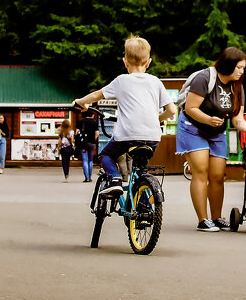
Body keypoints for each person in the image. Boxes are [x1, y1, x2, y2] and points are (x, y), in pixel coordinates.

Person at [74, 36, 176, 198]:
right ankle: (143, 206)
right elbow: (171, 110)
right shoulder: (156, 82)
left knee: (106, 155)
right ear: (148, 62)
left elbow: (95, 95)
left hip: (127, 136)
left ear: (125, 62)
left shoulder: (121, 81)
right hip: (152, 137)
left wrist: (80, 102)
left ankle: (115, 179)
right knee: (141, 171)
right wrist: (157, 119)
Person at [177, 47, 246, 232]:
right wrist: (208, 119)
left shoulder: (237, 87)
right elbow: (191, 108)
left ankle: (217, 217)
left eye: (243, 68)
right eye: (239, 67)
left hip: (217, 132)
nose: (242, 71)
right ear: (228, 65)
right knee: (201, 170)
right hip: (193, 128)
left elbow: (237, 119)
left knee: (217, 175)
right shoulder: (205, 78)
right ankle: (203, 219)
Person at [75, 106, 103, 182]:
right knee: (90, 160)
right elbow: (97, 134)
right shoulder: (94, 122)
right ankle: (89, 177)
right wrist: (93, 140)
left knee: (84, 160)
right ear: (92, 115)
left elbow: (76, 132)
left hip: (83, 143)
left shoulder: (80, 121)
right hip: (91, 143)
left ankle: (86, 177)